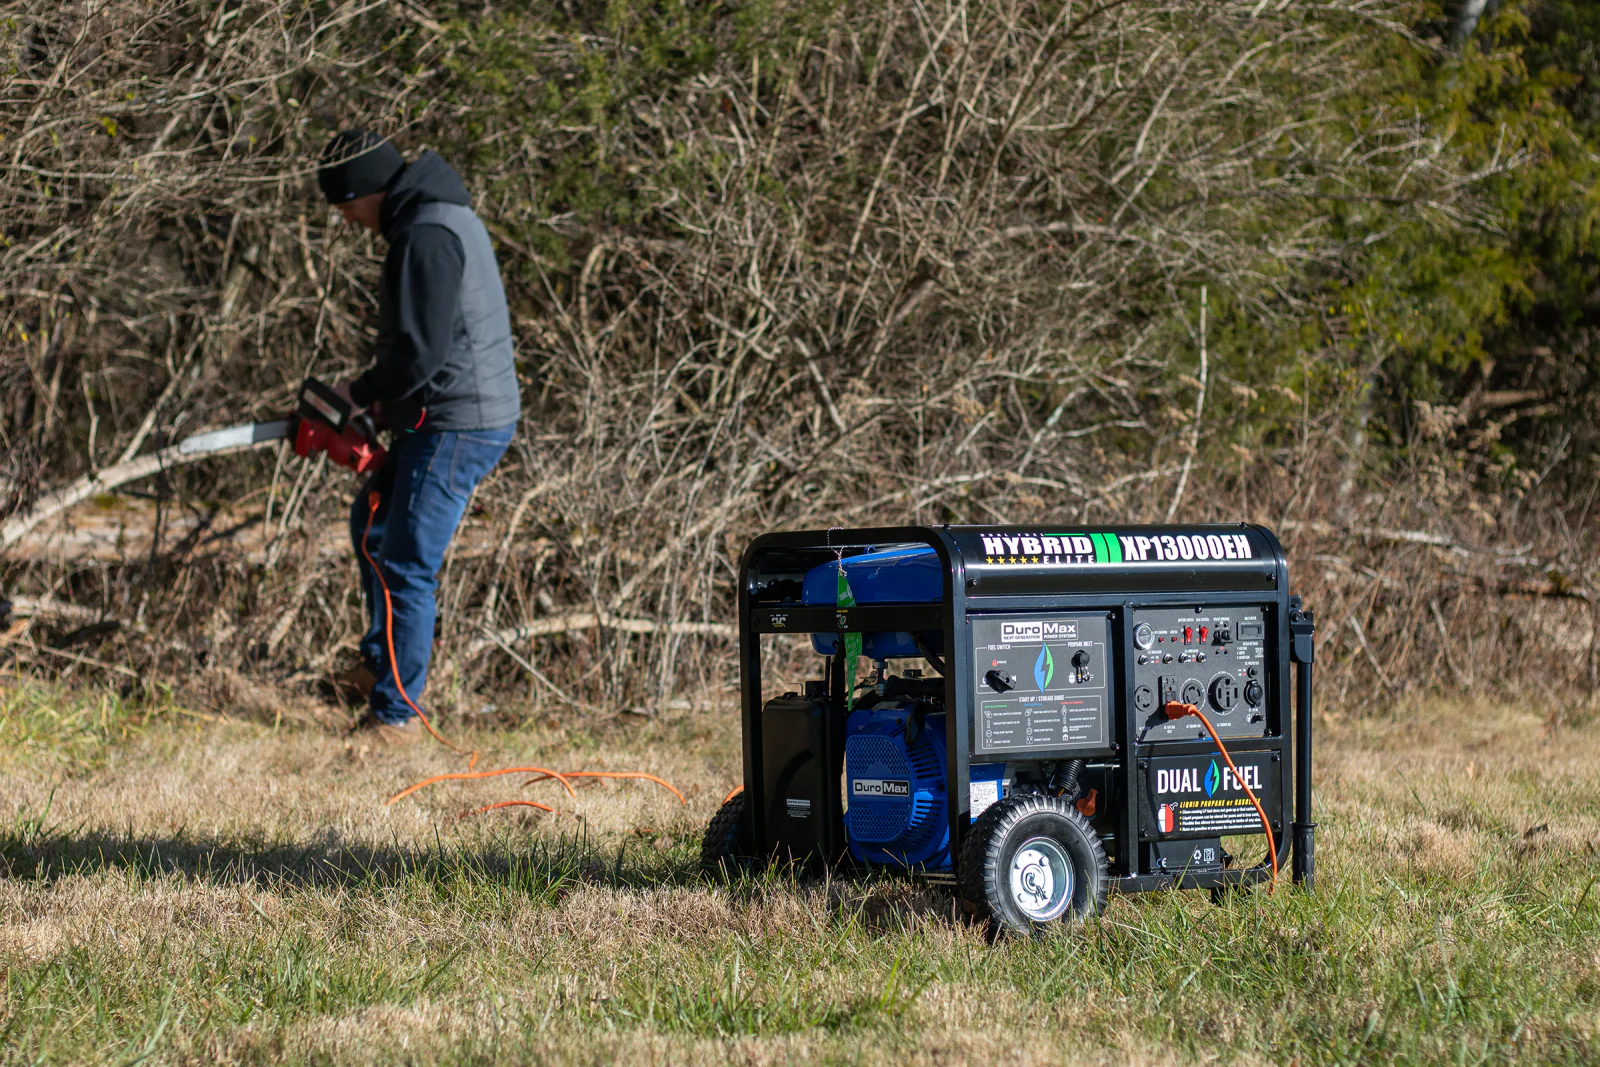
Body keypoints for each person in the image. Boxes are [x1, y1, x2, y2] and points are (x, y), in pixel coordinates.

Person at [316, 129, 520, 744]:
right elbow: (429, 347)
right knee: (371, 522)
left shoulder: (426, 234)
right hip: (445, 412)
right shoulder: (435, 217)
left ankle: (397, 718)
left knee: (405, 562)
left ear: (367, 190)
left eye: (346, 207)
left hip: (460, 423)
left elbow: (420, 354)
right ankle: (380, 666)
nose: (348, 221)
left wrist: (362, 392)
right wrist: (386, 403)